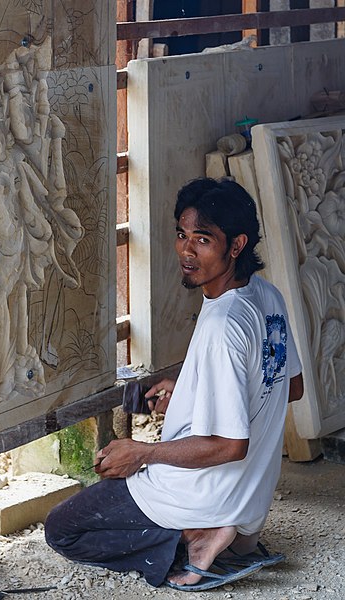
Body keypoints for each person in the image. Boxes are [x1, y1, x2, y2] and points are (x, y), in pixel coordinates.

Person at [45, 177, 303, 591]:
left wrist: (143, 453)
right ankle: (227, 539)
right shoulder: (267, 296)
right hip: (248, 504)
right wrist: (191, 389)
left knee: (63, 530)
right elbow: (289, 387)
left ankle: (196, 538)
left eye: (203, 239)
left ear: (235, 246)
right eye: (182, 235)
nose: (186, 250)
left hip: (200, 498)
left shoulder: (223, 324)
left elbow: (231, 445)